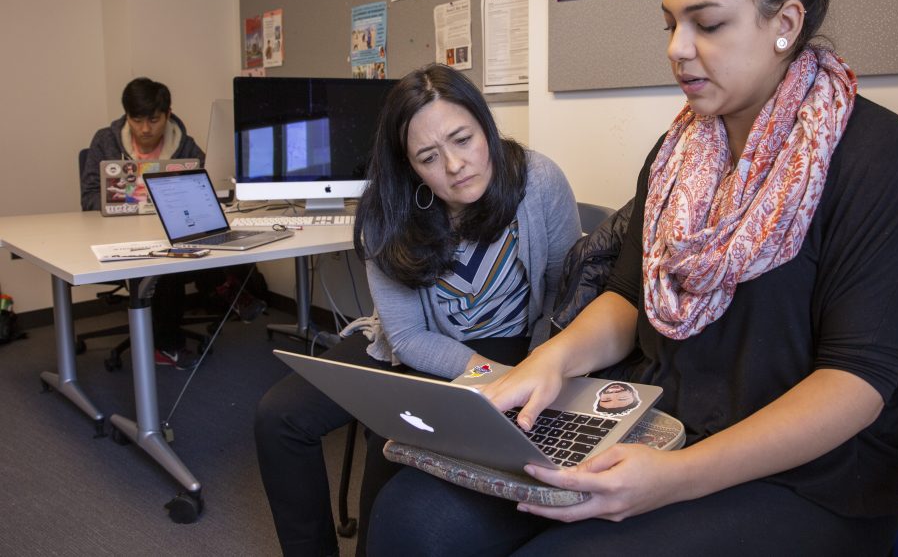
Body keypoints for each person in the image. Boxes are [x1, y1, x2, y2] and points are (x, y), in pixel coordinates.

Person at [367, 0, 898, 555]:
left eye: (707, 23)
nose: (676, 46)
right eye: (671, 23)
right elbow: (626, 298)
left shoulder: (879, 161)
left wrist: (673, 478)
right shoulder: (678, 155)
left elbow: (856, 385)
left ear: (785, 24)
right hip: (666, 425)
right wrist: (551, 360)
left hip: (811, 480)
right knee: (413, 514)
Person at [254, 64, 581, 557]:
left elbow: (563, 296)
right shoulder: (387, 214)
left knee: (397, 458)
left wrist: (531, 368)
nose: (454, 166)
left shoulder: (538, 181)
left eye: (463, 139)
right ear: (408, 165)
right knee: (278, 417)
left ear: (485, 126)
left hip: (514, 341)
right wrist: (483, 374)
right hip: (415, 343)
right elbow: (405, 338)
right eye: (429, 157)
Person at [81, 77, 266, 369]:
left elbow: (207, 186)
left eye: (153, 120)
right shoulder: (105, 141)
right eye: (137, 120)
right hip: (122, 232)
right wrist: (129, 203)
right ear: (126, 116)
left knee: (212, 235)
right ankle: (179, 334)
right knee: (168, 260)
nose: (145, 129)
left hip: (174, 228)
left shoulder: (184, 145)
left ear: (167, 114)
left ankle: (226, 289)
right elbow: (89, 198)